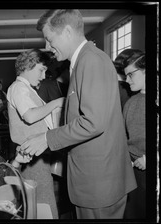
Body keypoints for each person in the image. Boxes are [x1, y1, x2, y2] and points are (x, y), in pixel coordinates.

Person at [20, 9, 137, 219]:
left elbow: (94, 121)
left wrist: (47, 138)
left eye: (49, 39)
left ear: (66, 32)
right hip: (95, 181)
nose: (47, 47)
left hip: (99, 184)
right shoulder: (83, 61)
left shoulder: (90, 60)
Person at [7, 49, 65, 219]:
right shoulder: (18, 87)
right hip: (31, 154)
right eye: (41, 70)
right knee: (42, 204)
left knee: (39, 203)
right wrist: (56, 102)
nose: (43, 75)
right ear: (27, 66)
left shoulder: (27, 89)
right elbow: (30, 116)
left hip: (37, 152)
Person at [121, 50, 146, 219]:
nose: (127, 80)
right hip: (134, 172)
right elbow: (123, 138)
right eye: (125, 75)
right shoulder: (131, 103)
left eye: (131, 74)